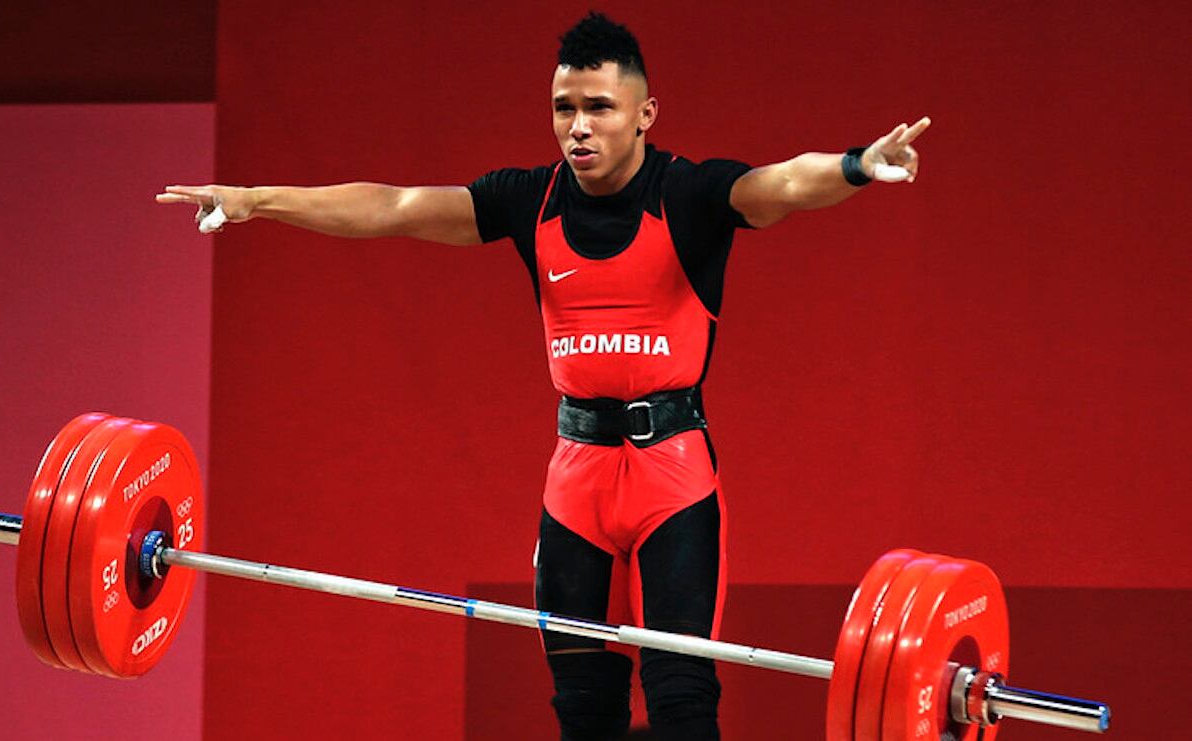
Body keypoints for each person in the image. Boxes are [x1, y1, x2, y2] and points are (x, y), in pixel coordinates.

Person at [157, 12, 928, 740]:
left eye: (599, 106)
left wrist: (859, 164)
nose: (579, 126)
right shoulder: (530, 201)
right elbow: (392, 205)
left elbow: (783, 186)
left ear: (645, 113)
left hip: (675, 481)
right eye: (564, 107)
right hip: (575, 484)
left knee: (683, 704)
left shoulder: (687, 195)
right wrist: (254, 199)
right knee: (581, 712)